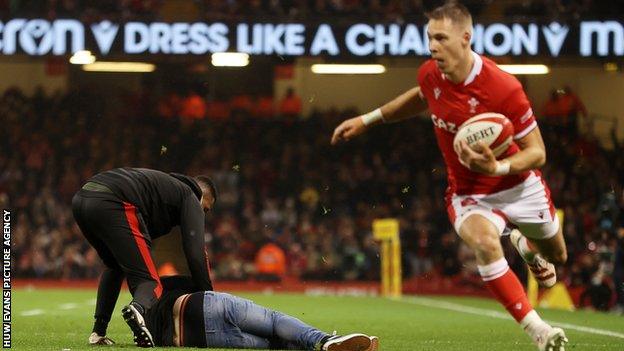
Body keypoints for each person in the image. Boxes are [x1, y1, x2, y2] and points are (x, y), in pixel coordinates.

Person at [330, 2, 568, 350]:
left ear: (466, 38)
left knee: (558, 257)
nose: (432, 46)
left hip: (518, 185)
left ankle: (527, 248)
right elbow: (421, 96)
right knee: (485, 244)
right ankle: (539, 330)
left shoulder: (504, 88)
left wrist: (498, 167)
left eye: (440, 38)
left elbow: (538, 153)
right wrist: (367, 120)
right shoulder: (430, 73)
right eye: (429, 37)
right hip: (468, 192)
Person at [72, 167, 218, 347]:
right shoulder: (190, 195)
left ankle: (98, 332)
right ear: (202, 195)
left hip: (82, 199)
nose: (203, 214)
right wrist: (210, 298)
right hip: (114, 202)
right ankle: (138, 310)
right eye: (206, 209)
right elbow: (196, 254)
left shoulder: (165, 189)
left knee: (114, 265)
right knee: (151, 283)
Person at [139, 275, 379, 350]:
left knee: (273, 345)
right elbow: (199, 280)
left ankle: (327, 346)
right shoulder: (158, 282)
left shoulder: (142, 316)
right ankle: (325, 340)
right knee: (274, 322)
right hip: (197, 303)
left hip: (192, 338)